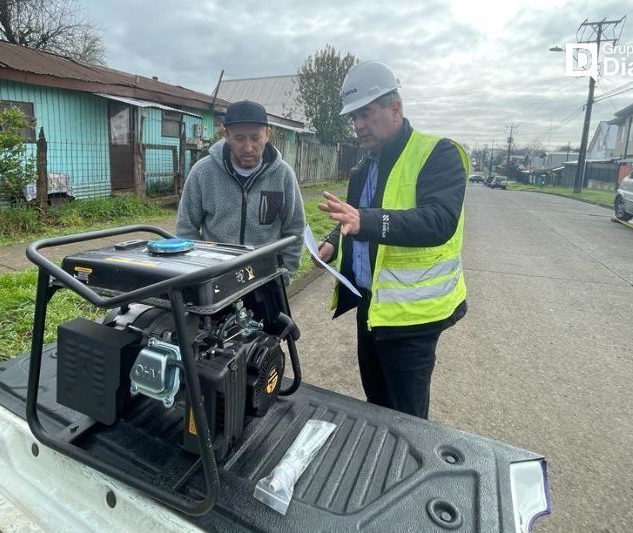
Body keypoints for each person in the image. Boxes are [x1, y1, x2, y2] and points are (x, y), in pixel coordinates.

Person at [316, 61, 469, 419]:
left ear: (395, 109)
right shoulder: (364, 166)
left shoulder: (438, 154)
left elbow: (439, 221)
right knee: (378, 405)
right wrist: (333, 241)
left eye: (365, 114)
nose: (357, 125)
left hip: (413, 318)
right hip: (371, 306)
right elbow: (353, 218)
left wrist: (364, 220)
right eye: (353, 117)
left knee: (408, 417)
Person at [177, 100, 305, 277]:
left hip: (266, 279)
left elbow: (295, 230)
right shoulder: (203, 172)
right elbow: (186, 227)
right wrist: (200, 273)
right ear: (227, 135)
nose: (248, 147)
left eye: (255, 138)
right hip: (216, 278)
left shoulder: (283, 175)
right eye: (239, 138)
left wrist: (285, 276)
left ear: (267, 134)